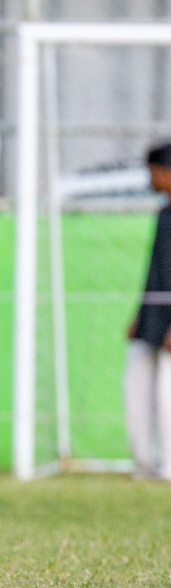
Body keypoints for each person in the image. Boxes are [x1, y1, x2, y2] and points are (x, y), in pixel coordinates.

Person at [124, 142, 171, 480]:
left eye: (153, 171)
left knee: (167, 395)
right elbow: (156, 270)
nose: (150, 179)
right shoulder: (164, 213)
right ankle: (144, 462)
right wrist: (141, 314)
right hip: (153, 315)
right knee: (136, 380)